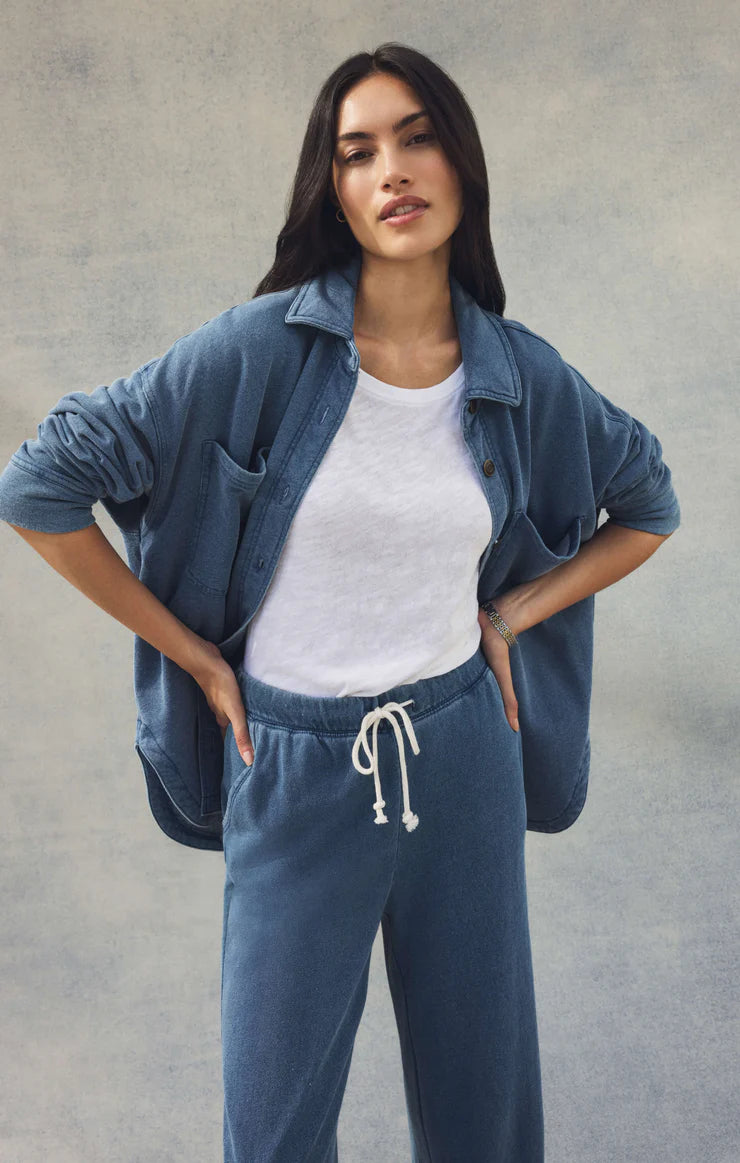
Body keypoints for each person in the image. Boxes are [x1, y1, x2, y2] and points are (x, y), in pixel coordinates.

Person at [0, 42, 681, 1163]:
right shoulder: (259, 350)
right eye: (355, 152)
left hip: (462, 752)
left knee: (485, 1115)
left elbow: (645, 500)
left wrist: (509, 616)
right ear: (332, 189)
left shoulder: (514, 374)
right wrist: (198, 656)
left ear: (460, 162)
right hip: (297, 767)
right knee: (271, 1129)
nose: (389, 171)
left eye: (414, 137)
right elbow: (40, 483)